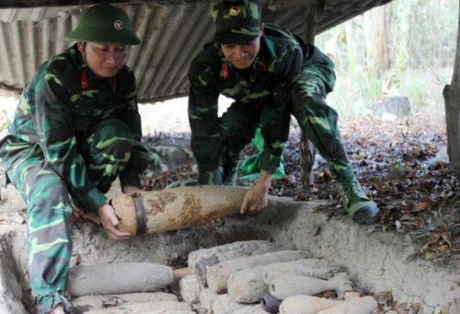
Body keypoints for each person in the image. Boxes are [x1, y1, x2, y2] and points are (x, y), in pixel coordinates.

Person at [0, 4, 152, 314]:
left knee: (117, 136)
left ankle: (80, 202)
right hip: (32, 151)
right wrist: (98, 200)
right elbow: (58, 150)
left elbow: (132, 132)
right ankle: (48, 297)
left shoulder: (123, 78)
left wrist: (132, 184)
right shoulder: (55, 77)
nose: (113, 59)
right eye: (103, 49)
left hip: (76, 146)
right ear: (81, 45)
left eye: (121, 50)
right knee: (51, 189)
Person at [188, 0, 379, 224]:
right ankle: (227, 185)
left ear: (260, 30)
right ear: (218, 43)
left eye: (247, 43)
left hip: (306, 70)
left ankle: (349, 184)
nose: (239, 54)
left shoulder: (285, 52)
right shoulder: (205, 66)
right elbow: (203, 127)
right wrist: (210, 186)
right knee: (233, 124)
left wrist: (264, 180)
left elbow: (277, 116)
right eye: (230, 47)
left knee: (304, 100)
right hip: (256, 91)